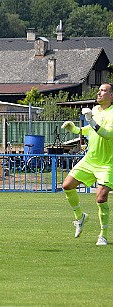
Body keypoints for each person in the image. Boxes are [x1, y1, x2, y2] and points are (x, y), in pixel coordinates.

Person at [61, 82, 113, 246]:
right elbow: (89, 130)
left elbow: (106, 134)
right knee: (67, 185)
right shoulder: (95, 111)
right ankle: (80, 217)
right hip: (90, 159)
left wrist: (91, 120)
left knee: (100, 198)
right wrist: (75, 129)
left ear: (111, 95)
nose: (99, 93)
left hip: (107, 163)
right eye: (98, 91)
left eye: (103, 91)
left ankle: (103, 235)